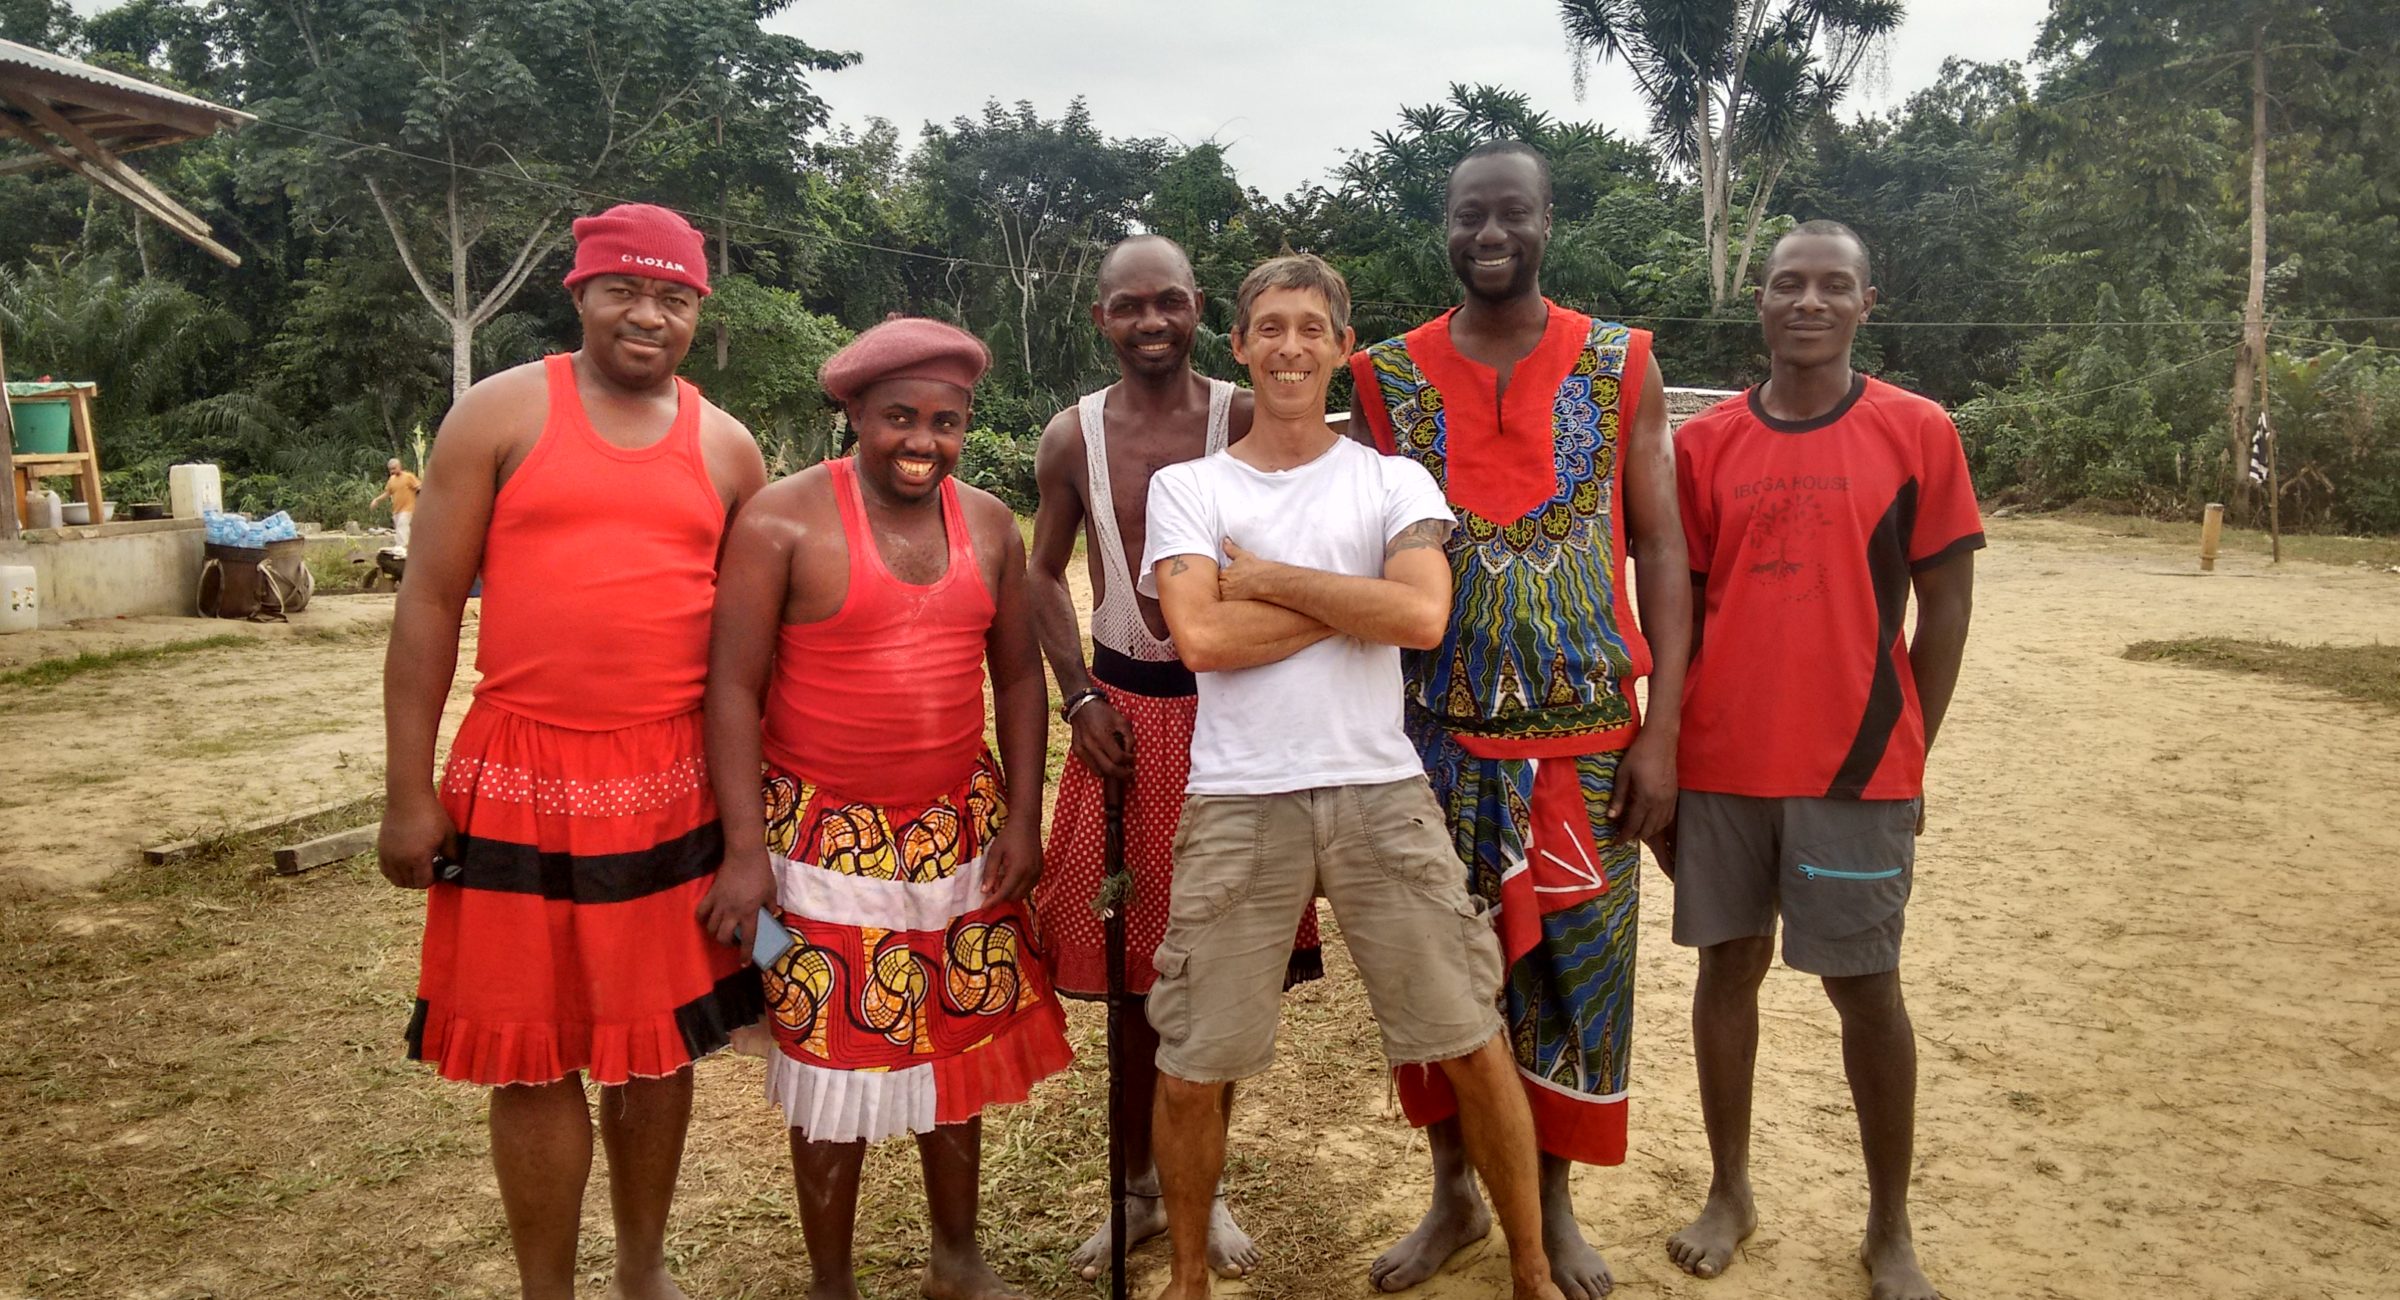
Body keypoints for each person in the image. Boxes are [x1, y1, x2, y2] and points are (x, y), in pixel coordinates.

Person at [1142, 253, 1568, 1300]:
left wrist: (1273, 581)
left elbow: (1422, 617)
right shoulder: (1188, 486)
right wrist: (1352, 598)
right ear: (1237, 345)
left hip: (1380, 788)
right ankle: (1189, 1278)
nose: (1291, 346)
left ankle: (1531, 1271)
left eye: (1311, 328)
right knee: (1195, 1061)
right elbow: (1200, 635)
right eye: (1270, 327)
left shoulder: (1390, 478)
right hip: (1239, 795)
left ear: (1343, 345)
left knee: (1471, 1036)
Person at [377, 203, 767, 1300]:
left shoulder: (729, 447)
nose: (649, 315)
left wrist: (754, 826)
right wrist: (408, 791)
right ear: (582, 291)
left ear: (698, 308)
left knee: (655, 1047)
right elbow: (429, 608)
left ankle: (644, 1273)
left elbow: (752, 656)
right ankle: (546, 1285)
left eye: (675, 298)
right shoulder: (499, 414)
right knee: (531, 1048)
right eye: (625, 291)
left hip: (667, 783)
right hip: (520, 775)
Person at [1348, 140, 1690, 1300]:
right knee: (1438, 976)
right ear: (1443, 227)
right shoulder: (1383, 376)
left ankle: (1550, 1204)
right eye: (1468, 217)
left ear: (1550, 222)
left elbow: (1663, 549)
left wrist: (1664, 731)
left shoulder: (1620, 361)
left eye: (1513, 215)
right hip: (1431, 734)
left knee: (1577, 980)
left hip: (1588, 737)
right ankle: (1452, 1193)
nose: (1490, 236)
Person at [704, 316, 1072, 1300]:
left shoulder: (991, 524)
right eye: (899, 416)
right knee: (827, 1062)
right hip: (810, 853)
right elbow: (732, 689)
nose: (922, 441)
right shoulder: (780, 522)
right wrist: (746, 851)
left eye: (946, 422)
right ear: (855, 413)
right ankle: (832, 1284)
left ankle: (958, 1261)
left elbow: (1019, 683)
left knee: (958, 1038)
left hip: (960, 842)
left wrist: (1024, 818)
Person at [1665, 219, 1978, 1300]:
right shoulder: (1702, 446)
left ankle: (1889, 1224)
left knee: (1867, 987)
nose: (1808, 301)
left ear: (1865, 301)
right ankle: (1730, 1188)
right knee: (1726, 972)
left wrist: (1911, 751)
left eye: (1831, 285)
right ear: (1759, 300)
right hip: (1720, 762)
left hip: (1856, 770)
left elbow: (1946, 604)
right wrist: (1666, 752)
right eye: (1787, 283)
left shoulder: (1919, 431)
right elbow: (1683, 613)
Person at [1027, 234, 1322, 1282]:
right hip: (1123, 724)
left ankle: (1206, 1186)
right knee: (1131, 983)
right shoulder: (1072, 439)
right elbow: (1040, 576)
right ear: (1100, 316)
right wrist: (1078, 694)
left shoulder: (1240, 418)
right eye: (1127, 307)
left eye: (1168, 303)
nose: (1149, 323)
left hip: (1231, 723)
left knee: (1219, 978)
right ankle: (1138, 1193)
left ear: (1199, 308)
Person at [371, 457, 422, 548]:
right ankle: (405, 549)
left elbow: (419, 487)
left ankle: (402, 548)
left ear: (399, 466)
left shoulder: (408, 477)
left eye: (394, 468)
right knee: (399, 530)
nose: (392, 471)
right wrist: (376, 500)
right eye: (390, 469)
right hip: (396, 510)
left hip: (408, 509)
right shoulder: (391, 480)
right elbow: (387, 493)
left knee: (402, 527)